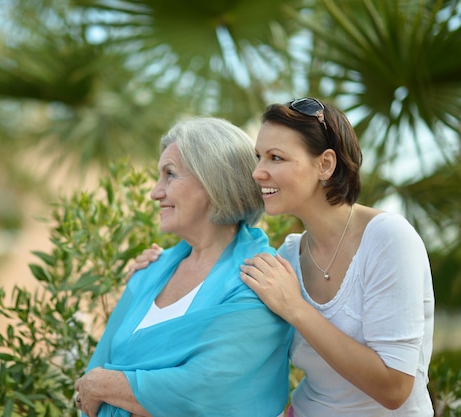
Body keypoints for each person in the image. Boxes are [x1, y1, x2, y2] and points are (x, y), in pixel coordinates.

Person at [129, 98, 435, 416]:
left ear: (325, 165)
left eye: (276, 158)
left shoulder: (388, 239)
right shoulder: (286, 255)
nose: (258, 172)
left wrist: (296, 309)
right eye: (258, 157)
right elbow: (218, 317)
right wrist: (165, 270)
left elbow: (395, 388)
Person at [74, 117, 293, 417]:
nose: (155, 192)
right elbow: (90, 378)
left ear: (213, 181)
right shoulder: (151, 270)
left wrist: (104, 384)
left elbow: (206, 390)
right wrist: (99, 384)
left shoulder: (260, 280)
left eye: (170, 175)